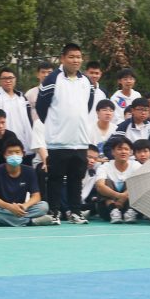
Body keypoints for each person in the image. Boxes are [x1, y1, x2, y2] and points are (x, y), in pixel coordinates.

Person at [35, 44, 99, 223]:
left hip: (79, 141)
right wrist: (55, 125)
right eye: (71, 57)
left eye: (78, 57)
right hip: (58, 140)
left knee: (76, 179)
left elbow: (87, 106)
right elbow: (41, 108)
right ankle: (54, 212)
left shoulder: (86, 81)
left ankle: (75, 212)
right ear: (62, 58)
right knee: (55, 178)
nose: (75, 60)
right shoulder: (52, 79)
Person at [0, 140, 54, 226]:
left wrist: (25, 206)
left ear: (23, 154)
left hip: (21, 208)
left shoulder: (29, 171)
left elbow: (36, 197)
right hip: (2, 208)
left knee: (44, 206)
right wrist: (9, 207)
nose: (14, 155)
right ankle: (30, 222)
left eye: (17, 152)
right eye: (10, 153)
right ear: (4, 155)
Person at [0, 69, 37, 151]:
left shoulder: (22, 98)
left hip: (26, 144)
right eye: (4, 78)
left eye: (11, 78)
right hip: (5, 147)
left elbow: (29, 120)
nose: (8, 81)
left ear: (15, 79)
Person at [92, 138, 139, 223]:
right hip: (107, 210)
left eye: (126, 149)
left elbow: (141, 184)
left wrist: (122, 198)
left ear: (131, 152)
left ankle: (129, 212)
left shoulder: (136, 166)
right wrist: (119, 196)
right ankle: (114, 211)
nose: (123, 152)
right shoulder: (105, 166)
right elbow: (99, 186)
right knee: (106, 182)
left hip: (129, 207)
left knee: (135, 182)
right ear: (113, 152)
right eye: (119, 149)